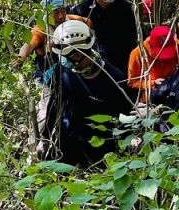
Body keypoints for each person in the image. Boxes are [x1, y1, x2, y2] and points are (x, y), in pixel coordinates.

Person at [45, 20, 136, 168]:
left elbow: (125, 117)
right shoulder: (62, 72)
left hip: (100, 147)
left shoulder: (114, 78)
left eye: (75, 53)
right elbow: (54, 106)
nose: (70, 58)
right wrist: (45, 138)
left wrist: (129, 148)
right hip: (68, 141)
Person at [16, 0, 90, 148]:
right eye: (55, 12)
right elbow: (28, 45)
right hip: (47, 76)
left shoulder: (72, 21)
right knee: (45, 110)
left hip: (72, 72)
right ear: (47, 13)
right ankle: (36, 144)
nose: (60, 16)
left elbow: (88, 24)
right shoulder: (41, 29)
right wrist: (20, 58)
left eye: (63, 10)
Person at [71, 0, 139, 75]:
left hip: (125, 53)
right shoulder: (85, 8)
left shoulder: (123, 7)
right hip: (102, 56)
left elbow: (133, 32)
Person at [127, 24, 179, 101]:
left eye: (168, 51)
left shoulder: (178, 47)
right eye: (161, 52)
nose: (165, 57)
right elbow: (132, 82)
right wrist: (152, 83)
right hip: (151, 98)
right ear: (151, 45)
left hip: (175, 92)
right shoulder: (138, 54)